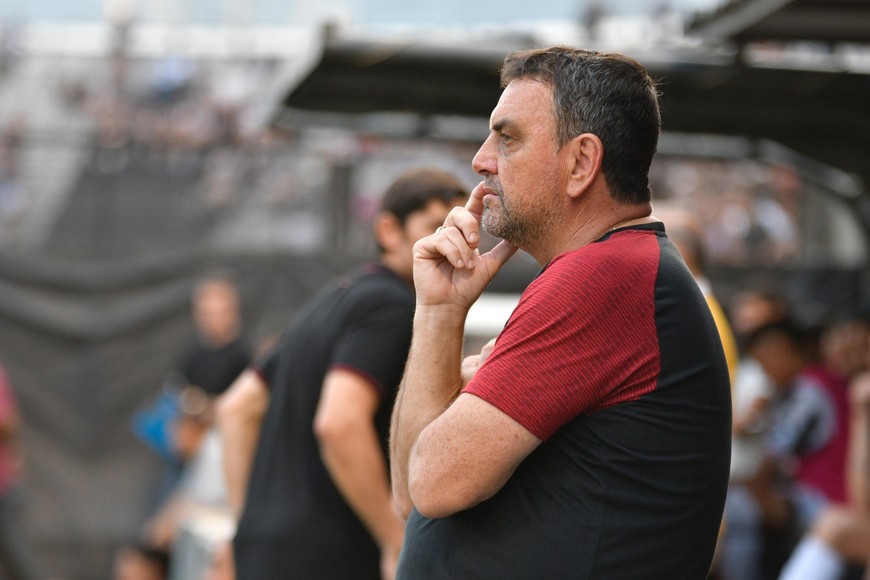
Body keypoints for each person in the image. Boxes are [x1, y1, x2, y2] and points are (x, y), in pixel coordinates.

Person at [389, 46, 732, 578]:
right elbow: (410, 496)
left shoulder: (607, 274)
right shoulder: (612, 270)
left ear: (581, 163)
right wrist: (439, 311)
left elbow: (433, 481)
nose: (481, 160)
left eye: (508, 138)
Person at [215, 168, 468, 580]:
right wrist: (394, 539)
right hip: (329, 557)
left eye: (461, 228)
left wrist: (247, 528)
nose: (452, 242)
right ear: (388, 230)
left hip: (267, 554)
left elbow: (236, 409)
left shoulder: (335, 298)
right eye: (435, 226)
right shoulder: (391, 306)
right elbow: (339, 423)